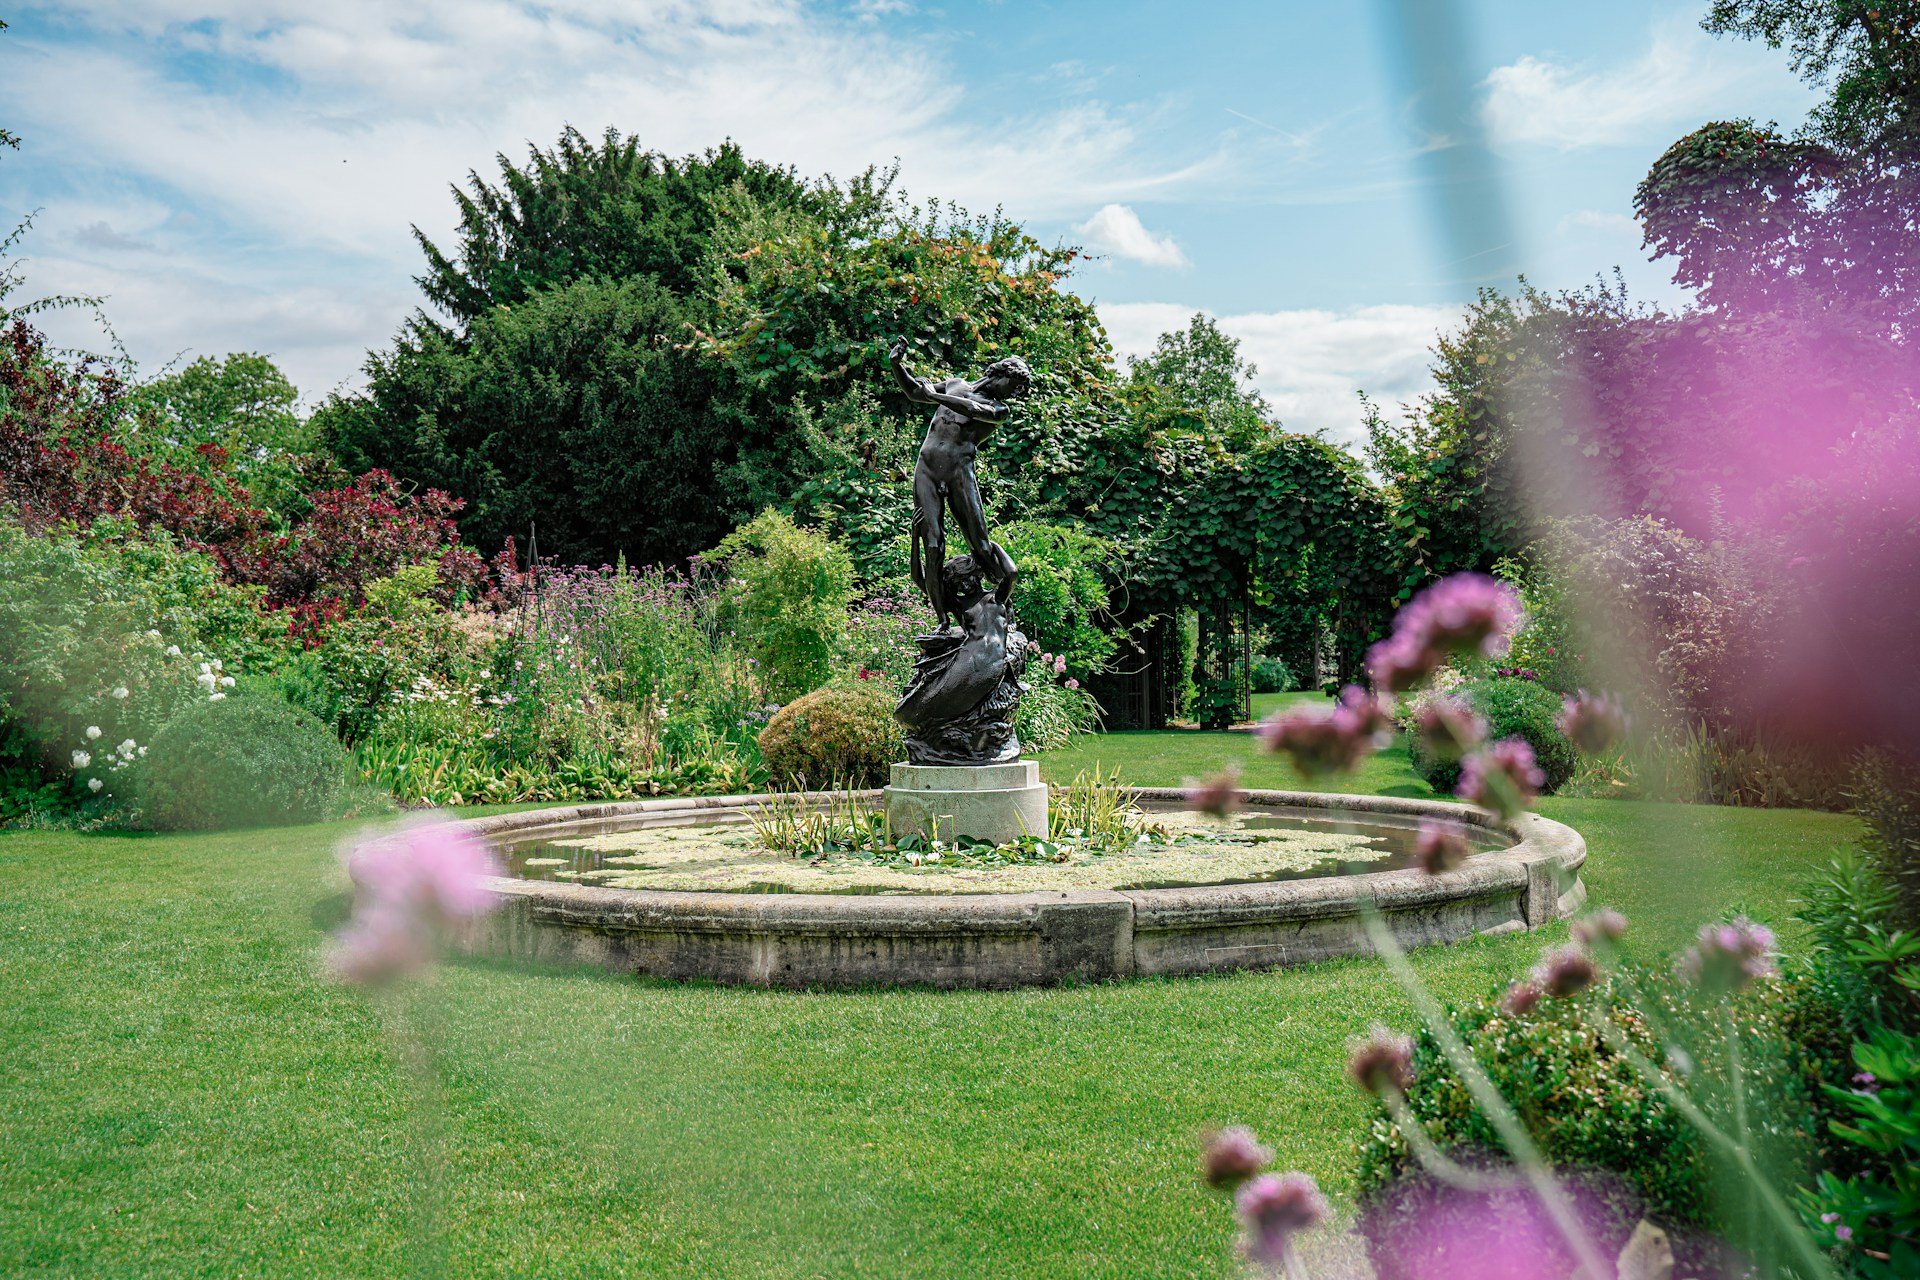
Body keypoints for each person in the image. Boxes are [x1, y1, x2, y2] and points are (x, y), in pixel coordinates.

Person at [889, 340, 1032, 632]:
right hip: (927, 469)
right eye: (1015, 385)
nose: (1016, 394)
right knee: (933, 545)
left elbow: (970, 407)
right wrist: (897, 366)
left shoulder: (998, 408)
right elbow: (915, 391)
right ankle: (942, 621)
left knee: (980, 545)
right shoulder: (955, 383)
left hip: (959, 474)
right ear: (1000, 373)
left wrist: (934, 395)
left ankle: (1002, 604)